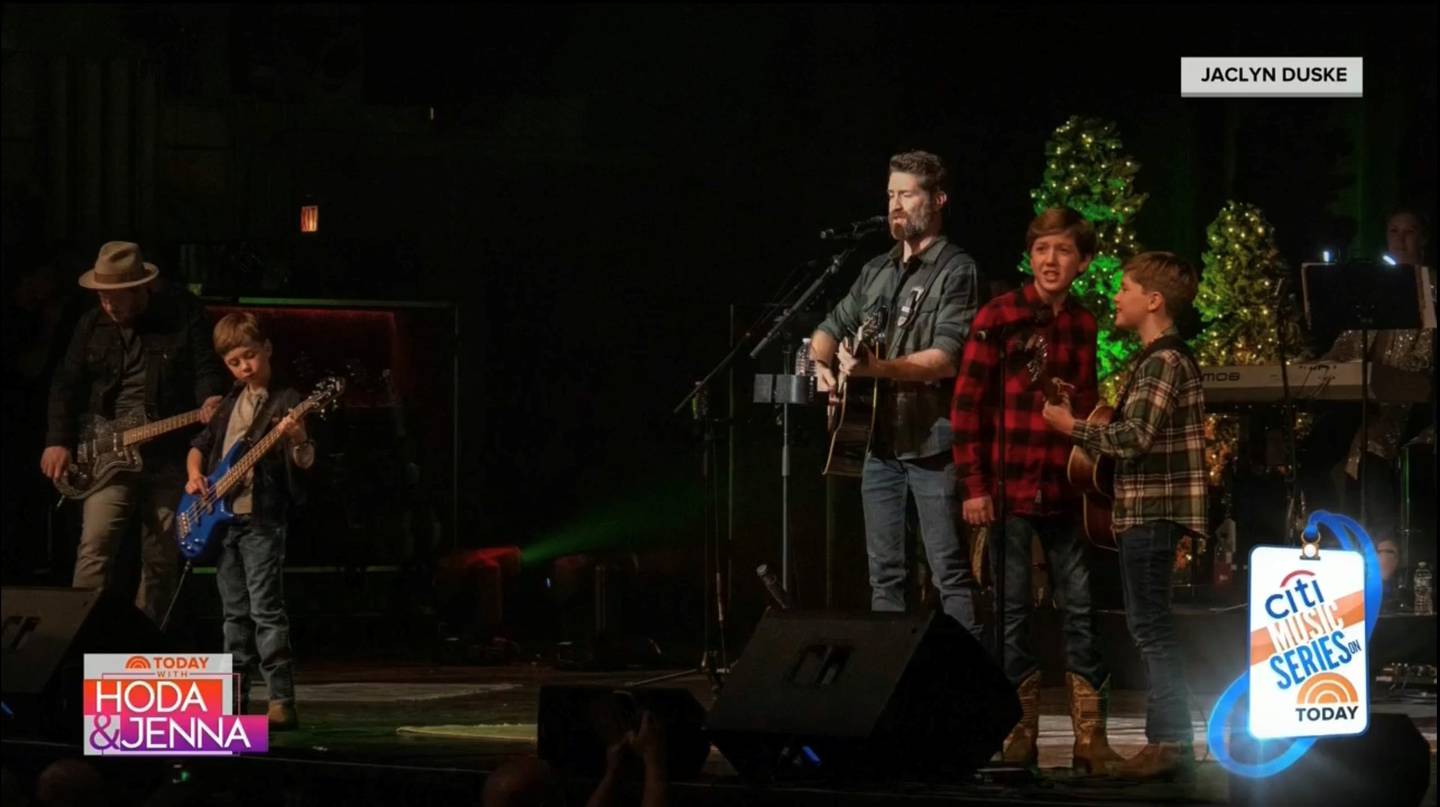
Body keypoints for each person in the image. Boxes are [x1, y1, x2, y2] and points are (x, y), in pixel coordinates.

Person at [951, 207, 1119, 772]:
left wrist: (1092, 474)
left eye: (1064, 251)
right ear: (1030, 254)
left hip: (1065, 490)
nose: (1051, 260)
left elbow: (1088, 408)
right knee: (1013, 613)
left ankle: (1089, 737)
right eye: (1043, 248)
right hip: (1008, 489)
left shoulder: (1085, 324)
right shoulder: (997, 317)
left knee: (1080, 610)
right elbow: (967, 408)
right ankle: (1017, 730)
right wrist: (974, 485)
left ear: (1083, 261)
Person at [1043, 251, 1207, 780]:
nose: (1116, 296)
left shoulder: (1164, 360)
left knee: (1151, 629)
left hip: (1153, 514)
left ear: (1153, 301)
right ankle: (1171, 741)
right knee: (1148, 626)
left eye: (1126, 288)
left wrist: (1073, 428)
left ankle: (1170, 742)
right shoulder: (1152, 360)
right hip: (1142, 512)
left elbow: (1134, 437)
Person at [809, 150, 983, 639]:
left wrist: (874, 369)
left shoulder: (956, 270)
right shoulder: (876, 270)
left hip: (932, 444)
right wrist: (823, 367)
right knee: (885, 575)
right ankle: (891, 685)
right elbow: (829, 327)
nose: (895, 206)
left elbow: (948, 357)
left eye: (907, 194)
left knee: (948, 571)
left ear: (938, 199)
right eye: (890, 195)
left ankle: (966, 684)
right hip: (877, 445)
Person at [41, 241, 225, 624]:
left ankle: (143, 647)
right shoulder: (92, 324)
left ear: (143, 288)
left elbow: (206, 367)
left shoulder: (183, 314)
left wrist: (210, 400)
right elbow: (66, 383)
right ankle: (76, 644)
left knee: (161, 554)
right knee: (95, 546)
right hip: (107, 452)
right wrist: (57, 441)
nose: (109, 307)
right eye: (103, 298)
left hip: (167, 453)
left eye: (117, 299)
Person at [186, 312, 316, 730]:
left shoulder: (287, 400)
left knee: (266, 612)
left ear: (267, 350)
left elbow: (305, 461)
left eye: (250, 356)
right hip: (223, 524)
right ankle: (234, 698)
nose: (244, 367)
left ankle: (281, 700)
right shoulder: (228, 402)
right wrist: (194, 475)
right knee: (233, 616)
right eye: (234, 362)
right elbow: (199, 446)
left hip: (261, 521)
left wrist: (297, 439)